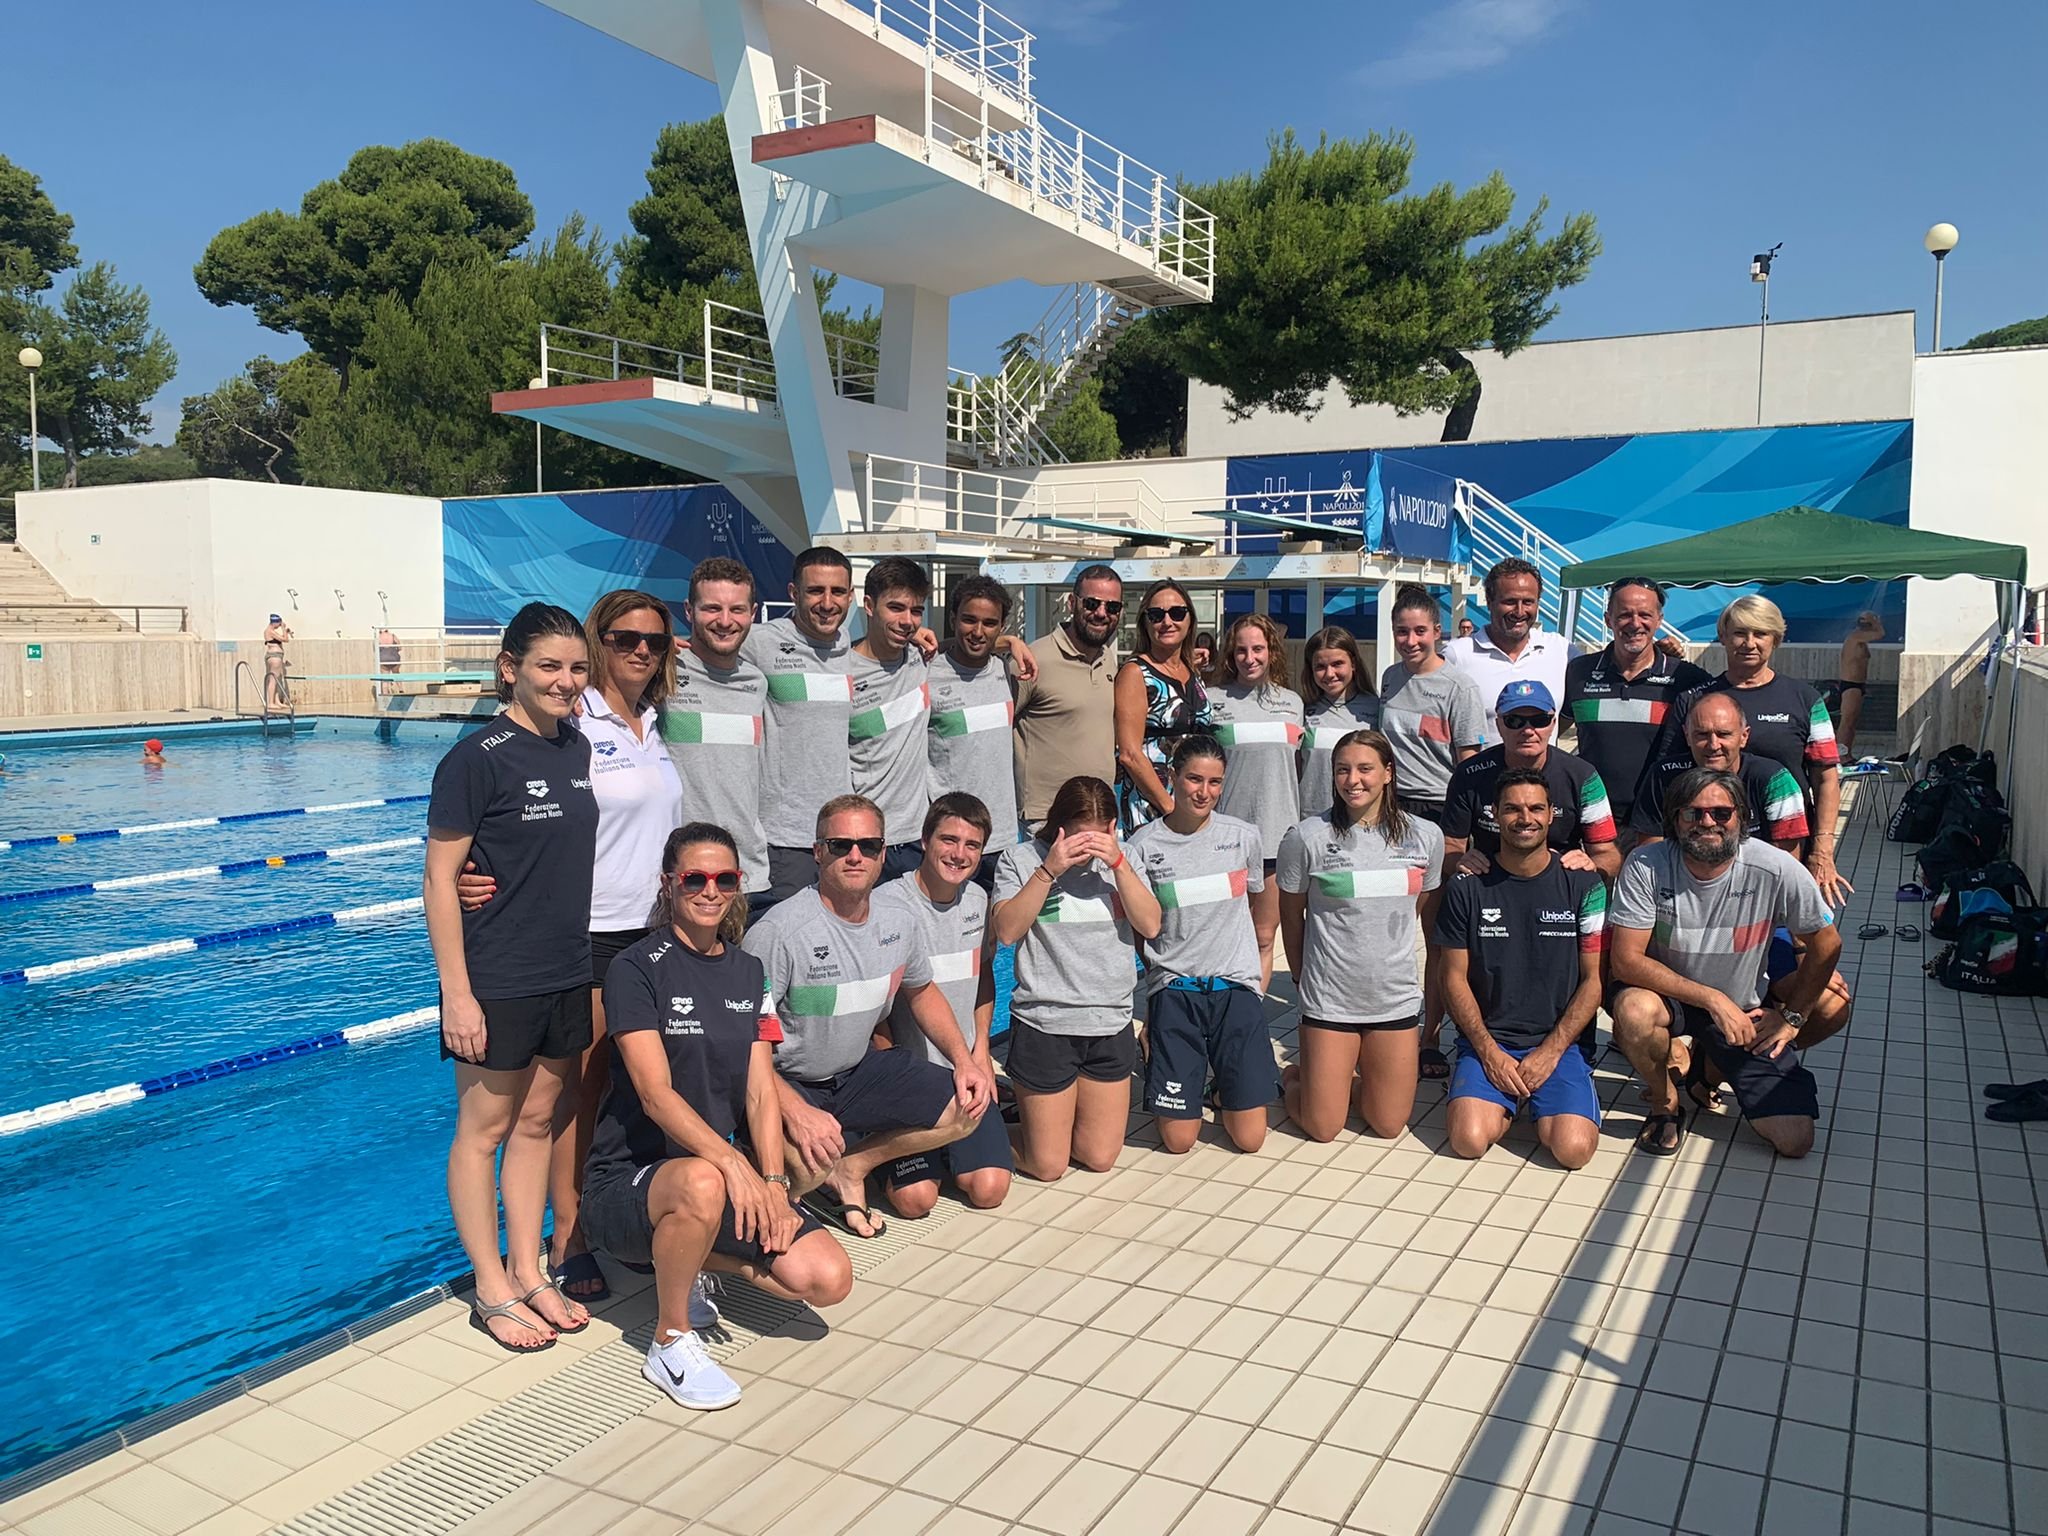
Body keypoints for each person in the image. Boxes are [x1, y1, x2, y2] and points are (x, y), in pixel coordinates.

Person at [455, 589, 686, 1302]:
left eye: (654, 641)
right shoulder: (569, 714)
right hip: (584, 931)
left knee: (625, 1084)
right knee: (570, 1096)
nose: (640, 651)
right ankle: (569, 1236)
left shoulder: (656, 720)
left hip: (651, 931)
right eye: (623, 639)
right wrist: (473, 873)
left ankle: (618, 1214)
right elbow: (495, 805)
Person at [583, 823, 852, 1412]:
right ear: (668, 884)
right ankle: (670, 1339)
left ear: (738, 886)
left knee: (827, 1280)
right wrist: (735, 1164)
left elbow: (760, 1091)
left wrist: (776, 1186)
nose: (710, 891)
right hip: (627, 1186)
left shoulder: (747, 971)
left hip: (707, 1176)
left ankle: (693, 1254)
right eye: (694, 879)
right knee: (704, 1179)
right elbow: (654, 1095)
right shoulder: (637, 968)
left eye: (724, 879)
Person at [424, 603, 600, 1351]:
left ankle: (529, 1271)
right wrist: (456, 994)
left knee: (536, 1123)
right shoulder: (477, 758)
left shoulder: (576, 749)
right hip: (496, 974)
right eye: (549, 667)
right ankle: (490, 1284)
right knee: (483, 1130)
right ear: (510, 670)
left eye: (576, 668)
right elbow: (438, 879)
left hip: (565, 965)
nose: (566, 682)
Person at [743, 794, 992, 1239]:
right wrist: (796, 1109)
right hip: (791, 1079)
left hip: (858, 1071)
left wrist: (964, 1059)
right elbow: (742, 1041)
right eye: (841, 845)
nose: (855, 856)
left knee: (969, 1107)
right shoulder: (779, 934)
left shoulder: (897, 920)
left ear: (883, 853)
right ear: (818, 852)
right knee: (805, 1169)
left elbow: (921, 990)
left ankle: (853, 1167)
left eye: (869, 846)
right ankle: (812, 1172)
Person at [1609, 766, 1850, 1158]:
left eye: (1721, 813)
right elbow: (1626, 962)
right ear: (1674, 818)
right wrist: (1712, 1000)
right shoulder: (1646, 864)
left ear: (1741, 817)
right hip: (1668, 996)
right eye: (1692, 813)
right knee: (1634, 1011)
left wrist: (1791, 1019)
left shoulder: (1774, 867)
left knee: (1794, 1140)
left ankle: (1707, 1068)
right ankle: (1664, 1104)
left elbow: (1826, 943)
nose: (1707, 822)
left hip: (1743, 1008)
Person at [994, 774, 1163, 1180]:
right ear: (1060, 827)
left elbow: (1151, 925)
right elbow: (1006, 930)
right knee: (1047, 1165)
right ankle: (982, 1134)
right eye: (1079, 839)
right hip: (1045, 1024)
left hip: (1108, 1023)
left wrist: (1119, 863)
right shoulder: (1020, 860)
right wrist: (1049, 869)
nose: (1088, 851)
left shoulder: (1125, 861)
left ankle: (1041, 1116)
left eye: (1098, 838)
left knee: (1098, 1156)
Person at [1278, 731, 1444, 1141]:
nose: (1353, 780)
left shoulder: (1426, 837)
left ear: (1388, 773)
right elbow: (1292, 917)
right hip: (1329, 1001)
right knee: (1323, 1127)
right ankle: (1295, 1078)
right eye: (1343, 770)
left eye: (1365, 769)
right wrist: (1301, 978)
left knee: (1388, 1125)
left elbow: (1417, 909)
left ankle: (1338, 1081)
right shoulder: (1306, 837)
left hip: (1393, 999)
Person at [1436, 770, 1607, 1169]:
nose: (1524, 818)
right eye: (1511, 808)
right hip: (1490, 1041)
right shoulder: (1466, 887)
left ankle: (1547, 1097)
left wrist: (1550, 1052)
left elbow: (1593, 981)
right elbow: (1452, 978)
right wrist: (1488, 1052)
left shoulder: (1584, 886)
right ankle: (1501, 1096)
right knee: (1468, 1140)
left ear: (1551, 815)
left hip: (1558, 1045)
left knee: (1573, 1150)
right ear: (1494, 815)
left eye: (1535, 808)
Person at [1128, 737, 1273, 1155]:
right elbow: (1143, 930)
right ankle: (1159, 1048)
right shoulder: (1143, 845)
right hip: (1177, 990)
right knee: (1179, 1141)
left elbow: (1257, 915)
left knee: (1249, 1140)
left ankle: (1220, 1082)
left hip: (1233, 989)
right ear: (1171, 777)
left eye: (1214, 782)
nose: (1203, 792)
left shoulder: (1244, 837)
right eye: (1193, 779)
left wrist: (1252, 983)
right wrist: (1157, 990)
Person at [1663, 595, 1848, 906]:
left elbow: (1826, 779)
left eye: (1760, 633)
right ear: (1722, 637)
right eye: (1739, 632)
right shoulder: (1696, 700)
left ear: (1776, 639)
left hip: (1786, 843)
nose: (1749, 643)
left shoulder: (1804, 699)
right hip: (1708, 843)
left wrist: (1822, 850)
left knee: (1793, 943)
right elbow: (1671, 776)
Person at [879, 794, 1013, 1216]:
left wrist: (981, 1052)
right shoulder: (888, 905)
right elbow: (874, 1002)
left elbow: (984, 978)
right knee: (915, 1201)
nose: (959, 854)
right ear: (924, 840)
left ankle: (958, 1150)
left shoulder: (977, 901)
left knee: (989, 1189)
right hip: (912, 1075)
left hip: (965, 1072)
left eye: (972, 846)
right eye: (949, 840)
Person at [1378, 585, 1485, 1080]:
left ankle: (1431, 1036)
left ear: (1437, 631)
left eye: (1420, 630)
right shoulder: (1389, 679)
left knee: (1437, 935)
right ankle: (1386, 1023)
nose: (1411, 639)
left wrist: (1460, 838)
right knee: (1391, 927)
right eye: (1403, 631)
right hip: (1392, 812)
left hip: (1441, 814)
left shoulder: (1459, 688)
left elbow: (1470, 768)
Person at [747, 547, 858, 906]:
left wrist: (1007, 641)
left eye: (837, 592)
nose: (827, 603)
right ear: (793, 593)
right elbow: (705, 645)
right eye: (815, 591)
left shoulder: (847, 647)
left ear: (851, 596)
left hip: (841, 837)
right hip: (785, 840)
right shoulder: (760, 642)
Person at [1560, 578, 1712, 838]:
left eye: (1645, 615)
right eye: (1625, 615)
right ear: (1608, 619)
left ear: (1659, 619)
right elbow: (1551, 732)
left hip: (1662, 822)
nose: (1635, 623)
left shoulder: (1687, 679)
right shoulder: (1579, 671)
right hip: (1594, 819)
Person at [664, 557, 771, 910]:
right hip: (685, 877)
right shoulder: (661, 672)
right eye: (711, 608)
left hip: (747, 873)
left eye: (736, 610)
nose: (725, 621)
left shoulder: (757, 682)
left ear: (752, 613)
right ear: (689, 611)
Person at [1442, 681, 1621, 882]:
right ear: (1498, 724)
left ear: (1553, 724)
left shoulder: (1583, 777)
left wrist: (1592, 866)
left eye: (1539, 720)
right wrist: (1460, 861)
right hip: (1489, 884)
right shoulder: (1469, 773)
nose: (1528, 730)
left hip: (1561, 885)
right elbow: (1452, 847)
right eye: (1514, 721)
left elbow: (1607, 854)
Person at [1208, 613, 1301, 991]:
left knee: (1264, 936)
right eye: (1242, 650)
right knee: (1223, 936)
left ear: (1271, 651)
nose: (1250, 658)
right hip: (1225, 838)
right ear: (1231, 654)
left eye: (1258, 649)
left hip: (1278, 838)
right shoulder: (1213, 701)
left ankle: (1250, 1017)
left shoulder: (1293, 703)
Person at [1014, 565, 1122, 831]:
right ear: (1072, 603)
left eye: (1112, 607)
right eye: (1092, 603)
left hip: (1099, 816)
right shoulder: (1033, 659)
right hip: (1047, 819)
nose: (1101, 613)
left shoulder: (1109, 660)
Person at [1631, 693, 1809, 854]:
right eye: (1702, 734)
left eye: (1723, 734)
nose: (1713, 745)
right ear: (1687, 736)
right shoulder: (1663, 775)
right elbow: (1651, 851)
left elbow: (1786, 859)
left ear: (1744, 736)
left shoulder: (1775, 779)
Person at [927, 575, 1021, 880]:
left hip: (1002, 837)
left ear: (1002, 627)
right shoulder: (925, 672)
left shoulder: (1007, 670)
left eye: (989, 623)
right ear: (953, 618)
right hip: (951, 839)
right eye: (969, 620)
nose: (978, 632)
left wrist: (1014, 644)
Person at [848, 558, 936, 881]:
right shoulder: (841, 672)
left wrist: (1008, 641)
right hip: (865, 843)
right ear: (869, 605)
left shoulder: (922, 660)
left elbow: (967, 649)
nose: (907, 621)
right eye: (896, 608)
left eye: (916, 611)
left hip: (917, 839)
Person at [1442, 558, 1579, 746]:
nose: (1520, 611)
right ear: (1489, 602)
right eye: (1510, 602)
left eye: (1528, 602)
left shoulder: (1561, 650)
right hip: (1482, 775)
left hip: (1544, 776)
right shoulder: (1457, 655)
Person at [1113, 579, 1211, 836]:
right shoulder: (1135, 673)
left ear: (1190, 619)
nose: (1167, 622)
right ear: (1145, 624)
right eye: (1156, 615)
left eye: (1177, 613)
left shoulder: (1191, 671)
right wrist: (1171, 809)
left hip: (1194, 804)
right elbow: (1129, 754)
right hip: (1154, 806)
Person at [1297, 625, 1381, 819]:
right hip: (1312, 818)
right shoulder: (1300, 710)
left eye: (1337, 664)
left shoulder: (1376, 709)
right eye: (1320, 667)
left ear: (1353, 664)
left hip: (1362, 818)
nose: (1329, 673)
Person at [1832, 610, 1884, 759]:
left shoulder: (1861, 640)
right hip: (1851, 685)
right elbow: (1880, 633)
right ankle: (1840, 756)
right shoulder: (1855, 637)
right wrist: (1876, 621)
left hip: (1857, 685)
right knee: (1846, 723)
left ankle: (1847, 753)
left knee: (1852, 724)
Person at [262, 613, 293, 712]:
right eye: (279, 624)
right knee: (273, 680)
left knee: (276, 679)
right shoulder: (270, 631)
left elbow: (282, 638)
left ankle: (276, 701)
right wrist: (284, 629)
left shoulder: (270, 632)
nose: (279, 626)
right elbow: (285, 640)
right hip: (274, 656)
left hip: (276, 656)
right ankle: (270, 703)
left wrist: (285, 632)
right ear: (274, 622)